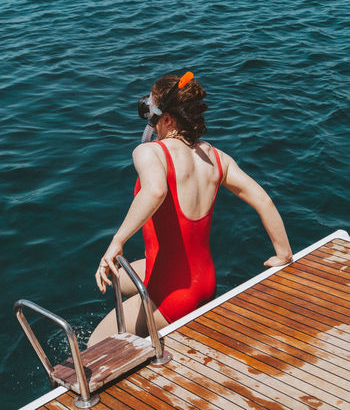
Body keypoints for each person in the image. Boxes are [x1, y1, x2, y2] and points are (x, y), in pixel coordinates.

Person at [88, 71, 292, 347]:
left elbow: (155, 191)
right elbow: (263, 200)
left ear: (168, 118)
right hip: (205, 283)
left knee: (94, 344)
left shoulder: (149, 152)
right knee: (116, 275)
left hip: (172, 298)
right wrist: (283, 253)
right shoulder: (217, 158)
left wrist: (117, 241)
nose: (151, 122)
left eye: (151, 112)